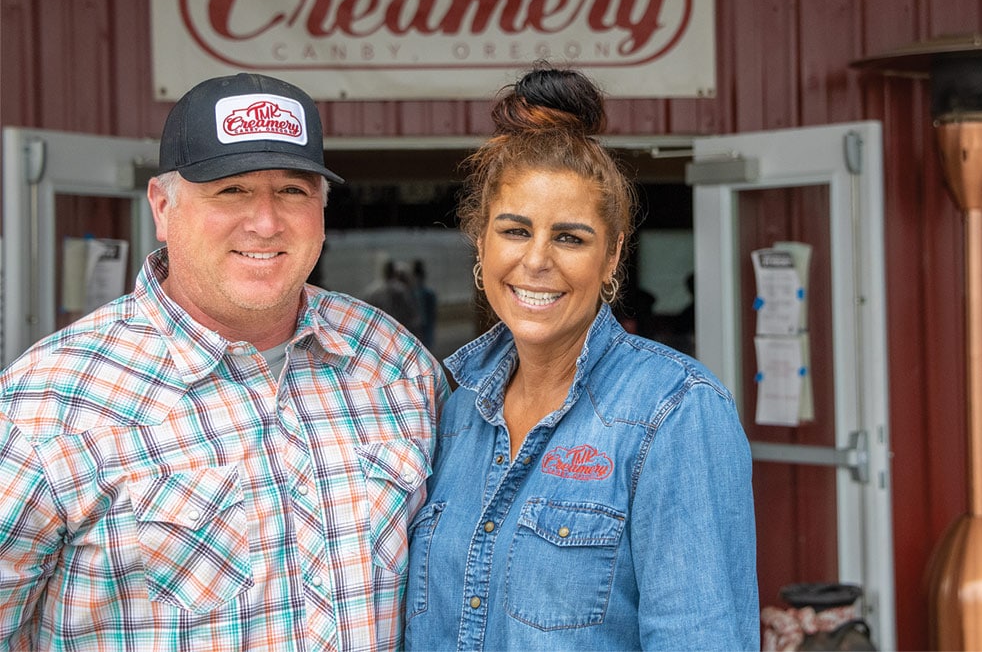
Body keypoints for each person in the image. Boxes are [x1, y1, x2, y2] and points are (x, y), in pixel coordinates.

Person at [0, 73, 449, 651]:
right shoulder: (45, 404)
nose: (265, 222)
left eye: (293, 190)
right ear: (163, 207)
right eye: (231, 190)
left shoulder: (394, 362)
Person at [403, 64, 759, 651]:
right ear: (481, 241)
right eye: (515, 231)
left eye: (570, 237)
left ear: (613, 255)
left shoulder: (674, 413)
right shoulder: (453, 409)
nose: (537, 260)